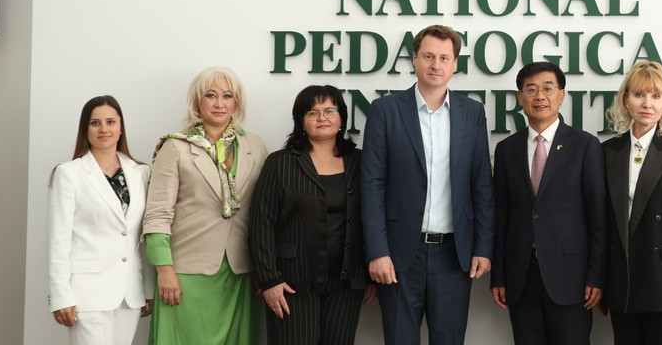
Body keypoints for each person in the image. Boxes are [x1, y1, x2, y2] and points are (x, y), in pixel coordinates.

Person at [361, 24, 494, 345]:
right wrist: (377, 251)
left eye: (444, 58)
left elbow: (482, 185)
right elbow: (372, 185)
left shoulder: (472, 113)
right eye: (429, 56)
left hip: (454, 256)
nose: (436, 64)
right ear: (414, 59)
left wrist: (483, 247)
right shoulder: (385, 111)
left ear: (455, 64)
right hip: (398, 255)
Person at [143, 66, 268, 345]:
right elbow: (157, 214)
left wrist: (264, 270)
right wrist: (164, 269)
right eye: (211, 95)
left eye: (227, 96)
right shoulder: (175, 147)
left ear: (236, 102)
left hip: (238, 271)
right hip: (185, 272)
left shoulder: (255, 146)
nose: (219, 103)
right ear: (197, 102)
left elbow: (264, 211)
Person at [249, 84, 377, 345]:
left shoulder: (360, 161)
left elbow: (374, 217)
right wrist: (269, 279)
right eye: (312, 112)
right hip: (291, 282)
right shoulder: (280, 162)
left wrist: (369, 274)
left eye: (330, 110)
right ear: (301, 121)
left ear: (341, 118)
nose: (322, 118)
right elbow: (261, 223)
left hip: (347, 283)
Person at [491, 61, 606, 345]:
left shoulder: (585, 145)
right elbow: (501, 217)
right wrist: (499, 276)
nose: (540, 96)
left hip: (572, 277)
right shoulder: (506, 149)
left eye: (547, 88)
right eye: (531, 89)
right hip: (521, 277)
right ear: (520, 98)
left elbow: (598, 217)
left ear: (562, 95)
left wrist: (596, 275)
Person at [600, 60, 662, 345]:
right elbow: (602, 223)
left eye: (656, 96)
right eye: (639, 95)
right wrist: (601, 280)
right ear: (625, 100)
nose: (647, 104)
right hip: (623, 280)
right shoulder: (607, 151)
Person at [47, 95, 153, 345]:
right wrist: (60, 296)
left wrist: (148, 289)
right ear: (85, 129)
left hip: (129, 293)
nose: (104, 129)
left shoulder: (141, 172)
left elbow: (143, 236)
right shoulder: (68, 173)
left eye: (110, 122)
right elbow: (58, 241)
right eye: (95, 123)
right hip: (87, 293)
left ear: (121, 128)